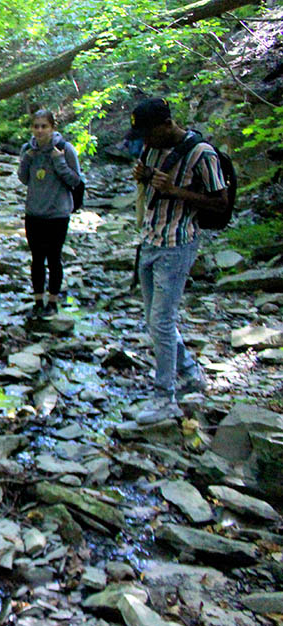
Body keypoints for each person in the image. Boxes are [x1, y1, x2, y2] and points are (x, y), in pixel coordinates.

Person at [127, 97, 227, 425]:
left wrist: (175, 191)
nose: (144, 142)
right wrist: (143, 176)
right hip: (150, 239)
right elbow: (150, 184)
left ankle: (164, 396)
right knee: (155, 319)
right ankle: (189, 372)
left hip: (177, 243)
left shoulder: (202, 153)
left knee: (162, 320)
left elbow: (220, 203)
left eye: (147, 134)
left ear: (166, 125)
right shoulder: (152, 147)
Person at [17, 109, 83, 318]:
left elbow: (75, 180)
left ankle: (53, 303)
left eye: (44, 126)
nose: (39, 130)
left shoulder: (65, 149)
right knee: (37, 259)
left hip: (58, 213)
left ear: (52, 127)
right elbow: (24, 178)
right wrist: (27, 159)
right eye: (36, 126)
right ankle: (38, 302)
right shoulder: (28, 149)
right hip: (34, 212)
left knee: (54, 258)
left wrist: (59, 161)